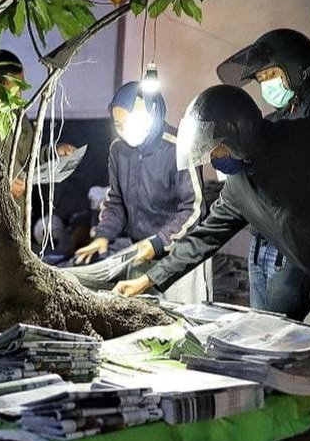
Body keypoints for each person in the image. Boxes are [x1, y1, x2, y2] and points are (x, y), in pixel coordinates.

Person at [114, 85, 310, 302]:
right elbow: (205, 236)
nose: (214, 160)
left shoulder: (305, 141)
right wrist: (148, 279)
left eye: (216, 150)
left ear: (237, 135)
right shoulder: (238, 188)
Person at [216, 29, 310, 319]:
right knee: (260, 333)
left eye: (270, 74)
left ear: (295, 68)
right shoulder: (273, 120)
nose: (266, 85)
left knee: (279, 335)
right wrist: (233, 161)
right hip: (261, 244)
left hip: (293, 251)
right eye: (261, 80)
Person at [74, 81, 210, 302]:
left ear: (150, 113)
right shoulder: (119, 150)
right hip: (140, 254)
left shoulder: (180, 146)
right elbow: (116, 202)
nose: (125, 130)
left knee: (180, 326)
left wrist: (158, 242)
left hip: (180, 258)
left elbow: (193, 209)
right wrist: (103, 235)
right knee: (142, 323)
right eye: (118, 125)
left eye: (129, 122)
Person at [0, 50, 76, 203]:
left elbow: (28, 158)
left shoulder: (18, 116)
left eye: (21, 88)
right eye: (14, 89)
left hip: (17, 214)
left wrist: (52, 153)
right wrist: (1, 183)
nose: (19, 95)